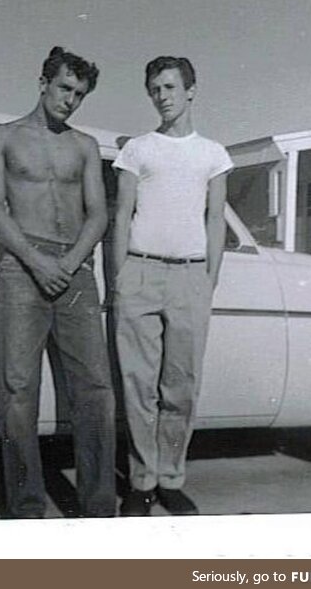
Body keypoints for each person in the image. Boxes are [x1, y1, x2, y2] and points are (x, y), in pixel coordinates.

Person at [0, 47, 116, 518]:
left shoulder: (85, 146)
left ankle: (99, 509)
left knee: (96, 390)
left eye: (79, 94)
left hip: (76, 269)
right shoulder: (0, 137)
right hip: (22, 266)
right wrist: (38, 262)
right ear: (43, 82)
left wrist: (73, 261)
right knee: (18, 393)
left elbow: (98, 212)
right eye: (64, 88)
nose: (70, 101)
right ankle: (27, 510)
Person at [113, 56, 233, 516]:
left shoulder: (213, 154)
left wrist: (209, 280)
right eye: (153, 89)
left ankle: (170, 478)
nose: (161, 96)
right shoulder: (138, 150)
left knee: (181, 385)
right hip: (140, 274)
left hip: (190, 277)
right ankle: (141, 482)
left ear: (190, 90)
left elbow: (215, 220)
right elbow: (122, 215)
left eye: (168, 86)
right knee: (138, 385)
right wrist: (121, 276)